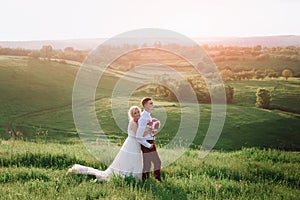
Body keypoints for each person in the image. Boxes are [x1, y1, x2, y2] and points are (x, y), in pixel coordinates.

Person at [67, 106, 145, 181]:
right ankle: (130, 175)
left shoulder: (137, 122)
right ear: (132, 115)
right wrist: (150, 131)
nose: (137, 114)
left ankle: (135, 176)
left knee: (135, 159)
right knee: (131, 159)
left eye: (138, 111)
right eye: (135, 113)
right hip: (132, 144)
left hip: (135, 143)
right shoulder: (133, 123)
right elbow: (138, 135)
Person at [136, 97, 162, 182]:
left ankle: (145, 180)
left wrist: (153, 130)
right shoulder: (144, 118)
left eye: (152, 103)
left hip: (149, 142)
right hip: (147, 143)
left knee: (147, 164)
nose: (152, 104)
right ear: (145, 105)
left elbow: (147, 131)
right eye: (150, 103)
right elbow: (138, 137)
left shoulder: (148, 116)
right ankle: (157, 180)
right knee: (157, 162)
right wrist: (148, 145)